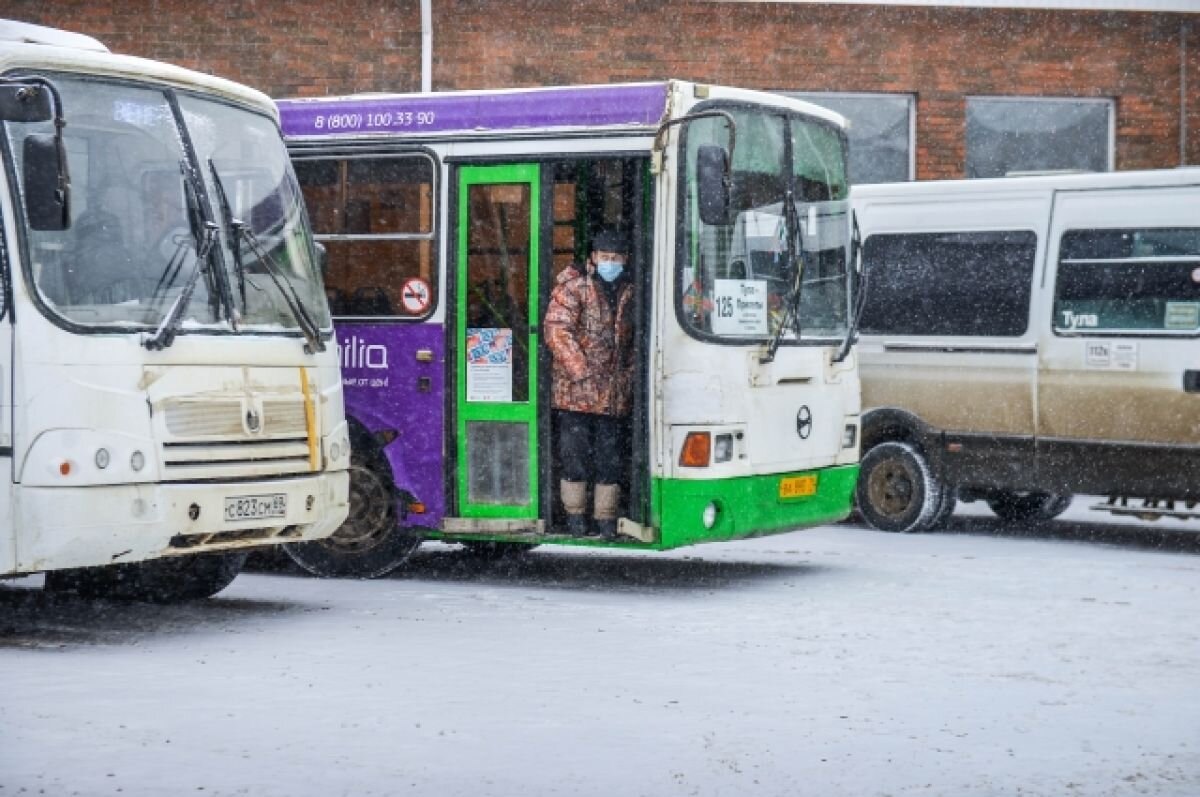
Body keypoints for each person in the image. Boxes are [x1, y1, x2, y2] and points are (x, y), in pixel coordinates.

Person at [544, 228, 635, 539]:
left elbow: (633, 343)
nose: (611, 263)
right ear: (592, 259)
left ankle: (607, 520)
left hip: (613, 395)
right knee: (575, 457)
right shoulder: (573, 288)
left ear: (625, 261)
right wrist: (582, 372)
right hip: (575, 395)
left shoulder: (630, 292)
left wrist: (628, 375)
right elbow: (557, 331)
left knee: (610, 458)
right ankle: (575, 519)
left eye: (616, 258)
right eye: (605, 257)